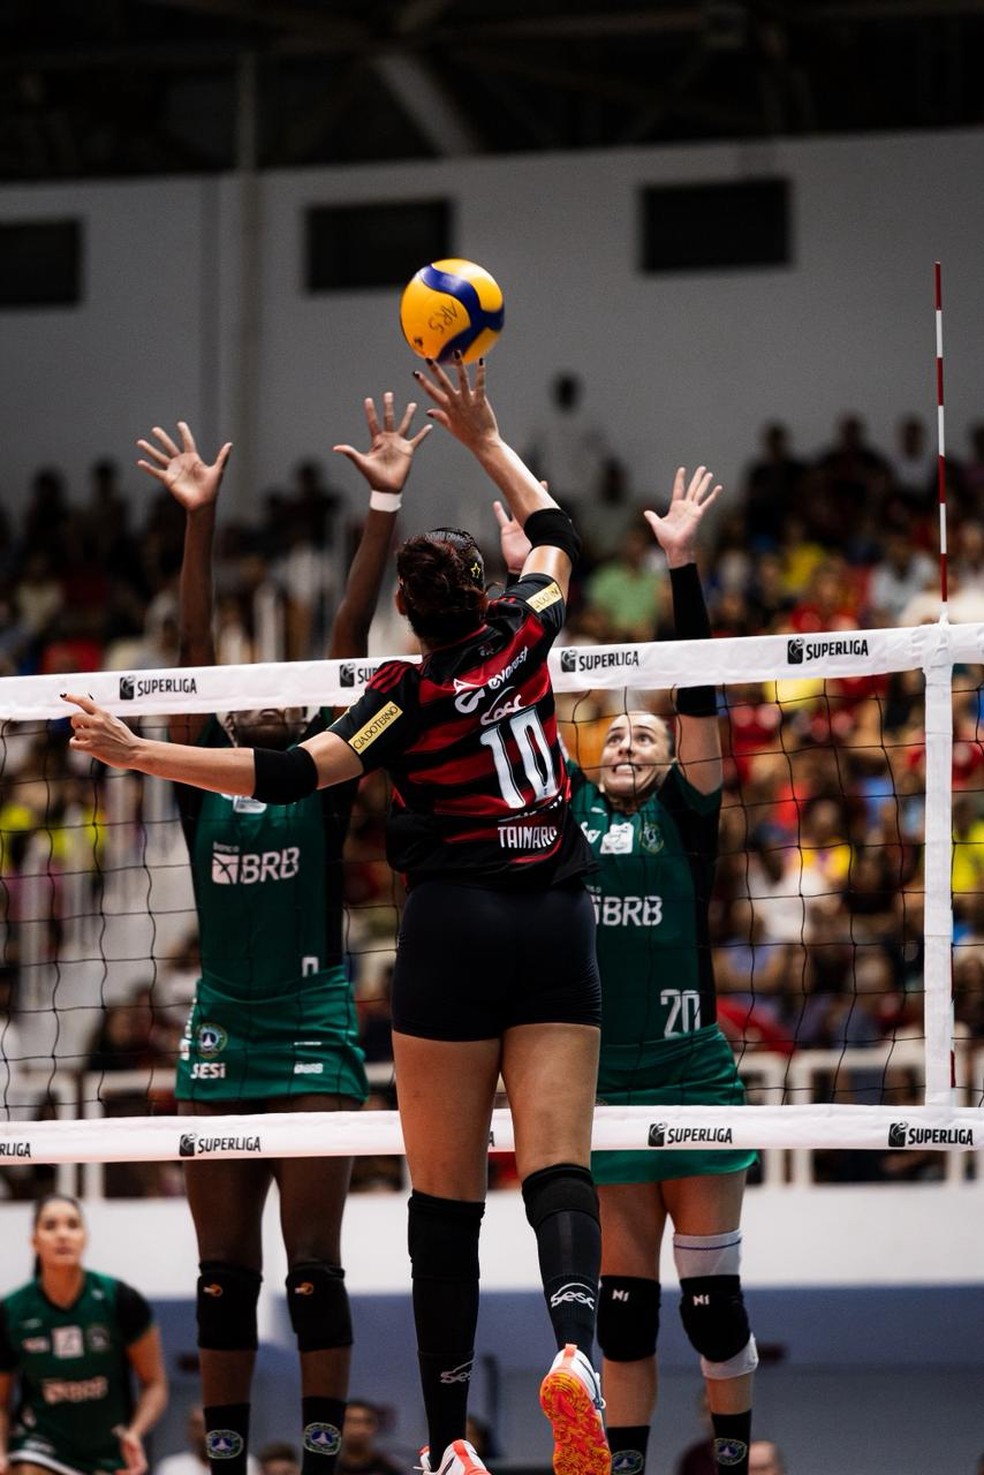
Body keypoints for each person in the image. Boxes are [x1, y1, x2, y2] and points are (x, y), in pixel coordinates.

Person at [63, 357, 610, 1475]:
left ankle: (449, 1444)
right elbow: (556, 529)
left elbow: (284, 772)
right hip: (553, 911)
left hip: (448, 930)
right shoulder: (526, 628)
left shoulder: (396, 699)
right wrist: (485, 437)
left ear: (408, 615)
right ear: (486, 592)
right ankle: (576, 1350)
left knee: (441, 1200)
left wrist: (134, 748)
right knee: (558, 1166)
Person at [129, 398, 429, 1475]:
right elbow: (192, 646)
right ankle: (221, 1453)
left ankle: (317, 1449)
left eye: (280, 694)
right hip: (220, 1032)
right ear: (222, 711)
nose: (259, 698)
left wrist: (382, 504)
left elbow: (348, 637)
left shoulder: (324, 783)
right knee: (222, 1271)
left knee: (312, 1265)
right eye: (241, 693)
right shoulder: (196, 784)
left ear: (301, 714)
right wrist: (197, 517)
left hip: (311, 1029)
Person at [497, 467, 758, 1475]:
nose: (627, 738)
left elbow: (698, 693)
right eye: (614, 730)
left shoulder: (689, 815)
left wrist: (681, 567)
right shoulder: (565, 812)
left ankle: (730, 1454)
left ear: (669, 754)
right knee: (626, 1314)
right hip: (603, 1088)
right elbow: (518, 698)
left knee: (712, 1304)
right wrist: (523, 583)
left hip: (693, 1075)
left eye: (645, 732)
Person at [0, 1194, 168, 1475]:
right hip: (40, 1444)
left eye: (72, 1225)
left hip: (108, 1449)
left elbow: (155, 1384)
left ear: (85, 1237)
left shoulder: (121, 1300)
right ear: (34, 1241)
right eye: (50, 1226)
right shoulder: (11, 1311)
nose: (62, 1234)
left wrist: (135, 1432)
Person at [335, 1401, 400, 1475]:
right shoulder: (327, 1467)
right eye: (351, 1421)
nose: (358, 1428)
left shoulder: (389, 1470)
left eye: (366, 1422)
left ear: (375, 1426)